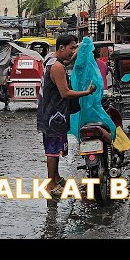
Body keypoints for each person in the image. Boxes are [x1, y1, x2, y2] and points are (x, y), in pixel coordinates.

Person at [36, 34, 96, 197]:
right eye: (71, 48)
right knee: (53, 150)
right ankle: (50, 185)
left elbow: (67, 61)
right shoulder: (57, 67)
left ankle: (56, 177)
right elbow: (65, 92)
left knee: (55, 146)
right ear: (61, 48)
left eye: (75, 47)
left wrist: (81, 48)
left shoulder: (50, 58)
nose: (73, 51)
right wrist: (87, 92)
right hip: (53, 114)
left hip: (50, 112)